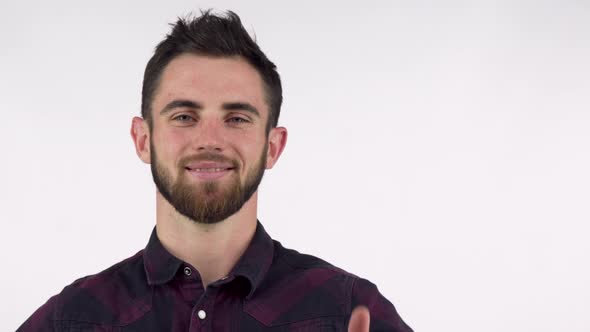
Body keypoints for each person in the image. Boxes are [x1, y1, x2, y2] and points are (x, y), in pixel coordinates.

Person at [17, 10, 413, 332]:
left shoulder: (345, 311)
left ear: (272, 146)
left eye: (237, 118)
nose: (210, 139)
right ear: (142, 139)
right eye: (185, 116)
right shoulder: (75, 320)